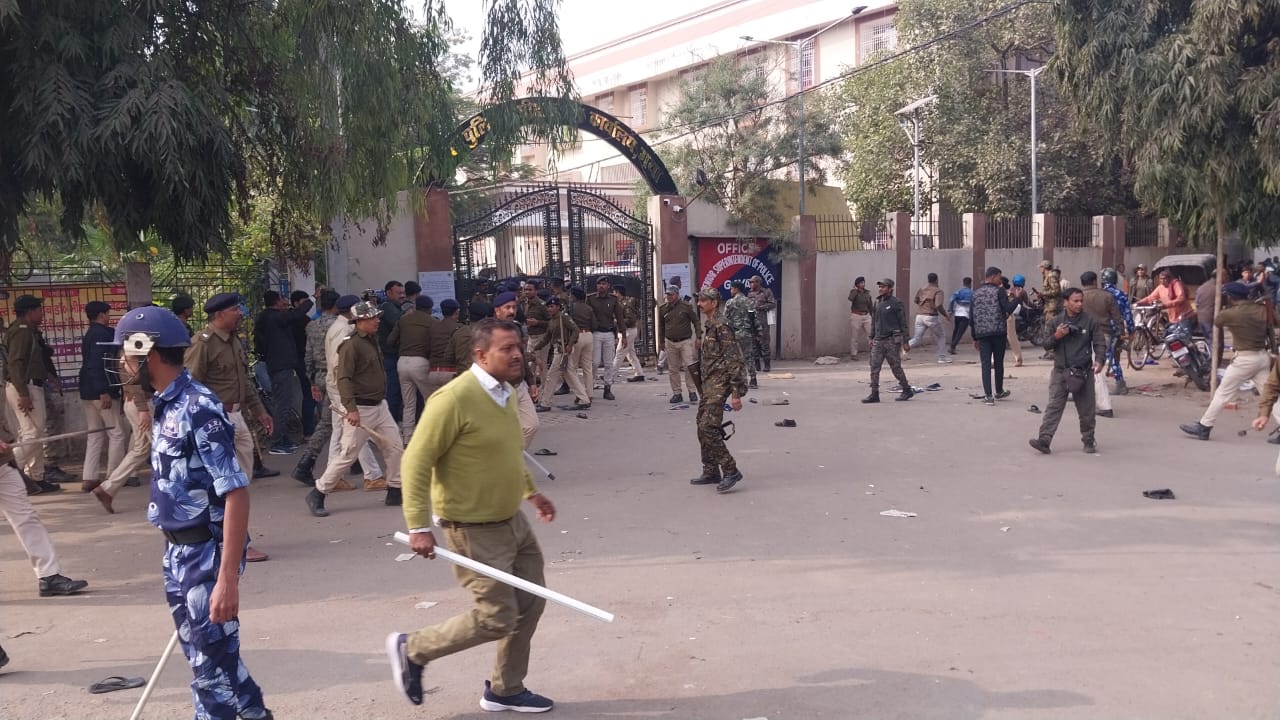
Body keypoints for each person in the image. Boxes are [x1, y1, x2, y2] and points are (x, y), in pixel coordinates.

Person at [108, 305, 272, 720]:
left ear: (148, 352)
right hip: (178, 554)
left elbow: (235, 492)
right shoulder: (166, 404)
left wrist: (226, 580)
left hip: (205, 557)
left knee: (210, 673)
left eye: (125, 355)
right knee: (216, 660)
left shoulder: (198, 407)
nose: (121, 365)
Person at [388, 318, 559, 713]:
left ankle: (505, 688)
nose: (517, 354)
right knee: (497, 617)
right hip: (471, 528)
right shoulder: (452, 399)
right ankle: (412, 649)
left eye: (518, 346)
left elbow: (504, 450)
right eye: (506, 349)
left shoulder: (506, 394)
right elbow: (416, 460)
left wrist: (531, 493)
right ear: (480, 355)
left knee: (531, 603)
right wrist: (417, 526)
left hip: (512, 522)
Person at [186, 293, 274, 562]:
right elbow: (189, 386)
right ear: (219, 314)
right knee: (228, 486)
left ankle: (226, 537)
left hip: (237, 417)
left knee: (241, 484)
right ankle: (238, 545)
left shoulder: (234, 341)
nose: (241, 313)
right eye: (236, 309)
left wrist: (259, 410)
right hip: (215, 421)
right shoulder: (203, 344)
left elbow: (244, 382)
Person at [306, 301, 403, 516]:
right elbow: (344, 379)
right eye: (373, 318)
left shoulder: (370, 340)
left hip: (379, 405)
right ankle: (319, 491)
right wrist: (350, 409)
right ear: (359, 322)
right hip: (361, 406)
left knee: (394, 447)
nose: (377, 320)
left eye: (377, 316)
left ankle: (395, 489)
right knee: (348, 454)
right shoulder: (350, 345)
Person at [297, 294, 385, 489]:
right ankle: (371, 475)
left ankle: (338, 476)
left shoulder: (337, 326)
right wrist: (349, 394)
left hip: (335, 385)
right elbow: (342, 366)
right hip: (342, 388)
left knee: (341, 432)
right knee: (355, 432)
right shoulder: (344, 330)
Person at [1180, 282, 1271, 441]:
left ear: (1230, 297)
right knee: (1270, 395)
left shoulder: (1230, 314)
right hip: (1262, 357)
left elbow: (1217, 321)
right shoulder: (1261, 309)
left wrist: (1220, 304)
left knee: (1222, 393)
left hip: (1245, 359)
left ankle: (1204, 426)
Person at [4, 295, 73, 486]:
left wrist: (50, 377)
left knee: (36, 433)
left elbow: (35, 360)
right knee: (32, 434)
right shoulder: (22, 331)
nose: (41, 314)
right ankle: (6, 470)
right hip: (25, 386)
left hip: (32, 384)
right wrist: (23, 394)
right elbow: (15, 364)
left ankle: (35, 478)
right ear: (29, 312)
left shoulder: (30, 331)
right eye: (38, 310)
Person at [1029, 288, 1106, 455]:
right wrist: (1057, 335)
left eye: (1081, 301)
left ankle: (1088, 440)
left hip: (1083, 371)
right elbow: (1046, 344)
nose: (1079, 304)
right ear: (1066, 302)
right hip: (1061, 371)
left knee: (1086, 410)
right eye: (1075, 301)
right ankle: (1044, 439)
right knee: (1054, 406)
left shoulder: (1090, 321)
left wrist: (1099, 360)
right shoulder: (1055, 322)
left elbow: (1099, 342)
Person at [688, 288, 748, 492]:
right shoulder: (710, 325)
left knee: (708, 426)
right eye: (699, 300)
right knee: (700, 424)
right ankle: (711, 469)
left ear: (714, 302)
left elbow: (734, 360)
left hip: (721, 382)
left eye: (703, 300)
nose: (699, 304)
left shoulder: (722, 326)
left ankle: (730, 469)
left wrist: (736, 393)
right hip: (709, 383)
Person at [253, 290, 312, 454]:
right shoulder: (273, 317)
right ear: (277, 301)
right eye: (282, 299)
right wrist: (310, 300)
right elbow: (296, 314)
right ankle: (277, 442)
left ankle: (284, 438)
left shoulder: (271, 318)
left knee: (285, 403)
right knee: (282, 404)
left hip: (281, 365)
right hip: (280, 366)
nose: (285, 302)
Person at [78, 301, 127, 495]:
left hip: (88, 391)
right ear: (101, 315)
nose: (109, 317)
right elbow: (96, 365)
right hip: (102, 391)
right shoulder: (102, 334)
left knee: (95, 435)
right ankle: (112, 477)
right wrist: (104, 391)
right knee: (117, 434)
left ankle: (89, 478)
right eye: (107, 313)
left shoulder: (90, 333)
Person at [390, 294, 437, 441]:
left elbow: (391, 340)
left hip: (402, 362)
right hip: (420, 362)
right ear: (429, 309)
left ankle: (407, 438)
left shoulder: (403, 319)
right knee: (430, 400)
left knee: (408, 404)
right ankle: (429, 435)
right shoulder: (432, 322)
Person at [1080, 271, 1125, 417]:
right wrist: (1120, 333)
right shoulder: (1107, 296)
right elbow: (1117, 317)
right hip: (1104, 335)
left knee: (1093, 369)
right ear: (1095, 281)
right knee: (1093, 366)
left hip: (1083, 335)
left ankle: (1105, 406)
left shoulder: (1078, 297)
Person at [533, 297, 590, 411]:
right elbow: (548, 337)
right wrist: (536, 347)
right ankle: (584, 399)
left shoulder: (563, 317)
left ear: (558, 307)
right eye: (548, 307)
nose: (549, 309)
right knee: (570, 376)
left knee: (551, 376)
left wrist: (570, 344)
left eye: (552, 306)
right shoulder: (552, 320)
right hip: (558, 350)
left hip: (563, 351)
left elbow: (575, 330)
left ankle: (546, 403)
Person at [863, 278, 913, 403]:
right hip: (878, 341)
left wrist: (906, 341)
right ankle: (874, 393)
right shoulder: (878, 302)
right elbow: (875, 322)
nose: (880, 289)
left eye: (884, 287)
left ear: (891, 289)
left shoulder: (896, 303)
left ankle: (906, 389)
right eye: (880, 287)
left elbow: (903, 323)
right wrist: (871, 337)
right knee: (874, 367)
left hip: (891, 340)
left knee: (896, 367)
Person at [971, 267, 1015, 405]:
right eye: (999, 277)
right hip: (998, 332)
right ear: (993, 277)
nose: (1000, 281)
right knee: (998, 362)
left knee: (985, 364)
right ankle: (999, 391)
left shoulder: (975, 293)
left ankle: (988, 396)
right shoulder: (999, 291)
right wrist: (1018, 299)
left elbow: (971, 317)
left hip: (982, 334)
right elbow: (1007, 309)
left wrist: (974, 337)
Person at [658, 285, 701, 403]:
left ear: (677, 295)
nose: (668, 297)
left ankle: (692, 391)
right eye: (667, 294)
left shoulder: (686, 307)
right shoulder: (663, 309)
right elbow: (661, 326)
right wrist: (661, 341)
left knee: (689, 367)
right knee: (673, 368)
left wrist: (698, 337)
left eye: (671, 295)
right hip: (670, 342)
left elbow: (696, 321)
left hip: (685, 341)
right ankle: (677, 393)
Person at [586, 278, 625, 400]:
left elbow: (619, 317)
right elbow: (586, 316)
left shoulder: (613, 299)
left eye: (604, 284)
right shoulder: (590, 299)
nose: (601, 286)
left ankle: (607, 388)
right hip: (596, 333)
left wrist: (623, 334)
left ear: (608, 286)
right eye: (599, 284)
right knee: (595, 362)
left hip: (608, 333)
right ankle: (589, 387)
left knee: (609, 363)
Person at [1100, 268, 1135, 396]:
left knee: (1107, 356)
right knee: (1114, 356)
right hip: (1117, 330)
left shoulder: (1101, 294)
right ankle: (1119, 382)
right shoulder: (1122, 294)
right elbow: (1128, 314)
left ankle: (1120, 384)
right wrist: (1131, 330)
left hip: (1103, 329)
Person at [379, 281, 407, 422]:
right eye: (399, 293)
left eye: (403, 293)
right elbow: (401, 324)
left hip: (394, 355)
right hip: (389, 356)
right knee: (392, 391)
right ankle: (391, 422)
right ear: (389, 293)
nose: (402, 296)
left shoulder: (396, 307)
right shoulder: (388, 308)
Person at [908, 272, 951, 363]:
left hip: (919, 316)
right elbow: (938, 305)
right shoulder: (938, 291)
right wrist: (945, 315)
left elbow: (916, 300)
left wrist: (923, 305)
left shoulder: (922, 289)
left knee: (917, 338)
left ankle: (904, 349)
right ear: (936, 280)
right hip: (931, 317)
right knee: (941, 336)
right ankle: (942, 357)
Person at [724, 281, 759, 389]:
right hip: (747, 333)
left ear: (736, 289)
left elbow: (725, 319)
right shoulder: (749, 302)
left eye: (731, 288)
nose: (730, 291)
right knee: (749, 357)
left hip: (734, 333)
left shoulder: (730, 303)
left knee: (734, 358)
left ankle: (738, 380)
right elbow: (755, 319)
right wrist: (758, 332)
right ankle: (753, 379)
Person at [611, 284, 645, 382]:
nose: (613, 294)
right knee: (631, 354)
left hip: (628, 331)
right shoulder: (619, 303)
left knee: (619, 353)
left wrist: (616, 321)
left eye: (614, 292)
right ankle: (639, 373)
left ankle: (610, 375)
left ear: (618, 293)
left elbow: (630, 319)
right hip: (626, 331)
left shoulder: (626, 304)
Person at [747, 275, 776, 372]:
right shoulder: (749, 294)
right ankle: (757, 365)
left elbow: (772, 304)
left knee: (764, 343)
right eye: (750, 282)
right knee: (754, 344)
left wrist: (761, 307)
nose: (751, 284)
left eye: (753, 282)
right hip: (752, 322)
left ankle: (767, 365)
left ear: (758, 283)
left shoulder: (766, 292)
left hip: (762, 321)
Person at [1038, 260, 1063, 359]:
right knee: (1049, 329)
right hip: (1049, 306)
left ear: (1044, 267)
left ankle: (1052, 352)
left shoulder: (1051, 276)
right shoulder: (1048, 276)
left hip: (1053, 307)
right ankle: (1049, 351)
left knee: (1049, 329)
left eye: (1041, 267)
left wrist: (1043, 293)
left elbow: (1056, 290)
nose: (1040, 269)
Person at [1006, 275, 1030, 367]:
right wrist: (1035, 305)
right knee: (1012, 338)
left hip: (1008, 313)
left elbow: (1009, 302)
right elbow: (1028, 302)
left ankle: (992, 360)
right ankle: (1018, 359)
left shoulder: (1009, 291)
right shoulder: (1022, 291)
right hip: (1015, 312)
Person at [848, 276, 873, 361]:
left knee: (871, 334)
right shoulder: (854, 292)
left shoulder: (867, 293)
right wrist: (855, 290)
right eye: (861, 283)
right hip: (856, 315)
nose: (863, 284)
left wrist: (873, 314)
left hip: (866, 315)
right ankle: (854, 354)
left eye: (863, 282)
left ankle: (874, 352)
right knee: (854, 336)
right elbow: (850, 298)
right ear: (857, 284)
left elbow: (870, 305)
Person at [947, 277, 973, 355]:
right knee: (960, 332)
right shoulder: (972, 293)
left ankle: (952, 346)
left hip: (957, 314)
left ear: (963, 283)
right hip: (965, 315)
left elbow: (951, 300)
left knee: (956, 330)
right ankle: (952, 346)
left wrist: (950, 311)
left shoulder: (958, 292)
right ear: (970, 283)